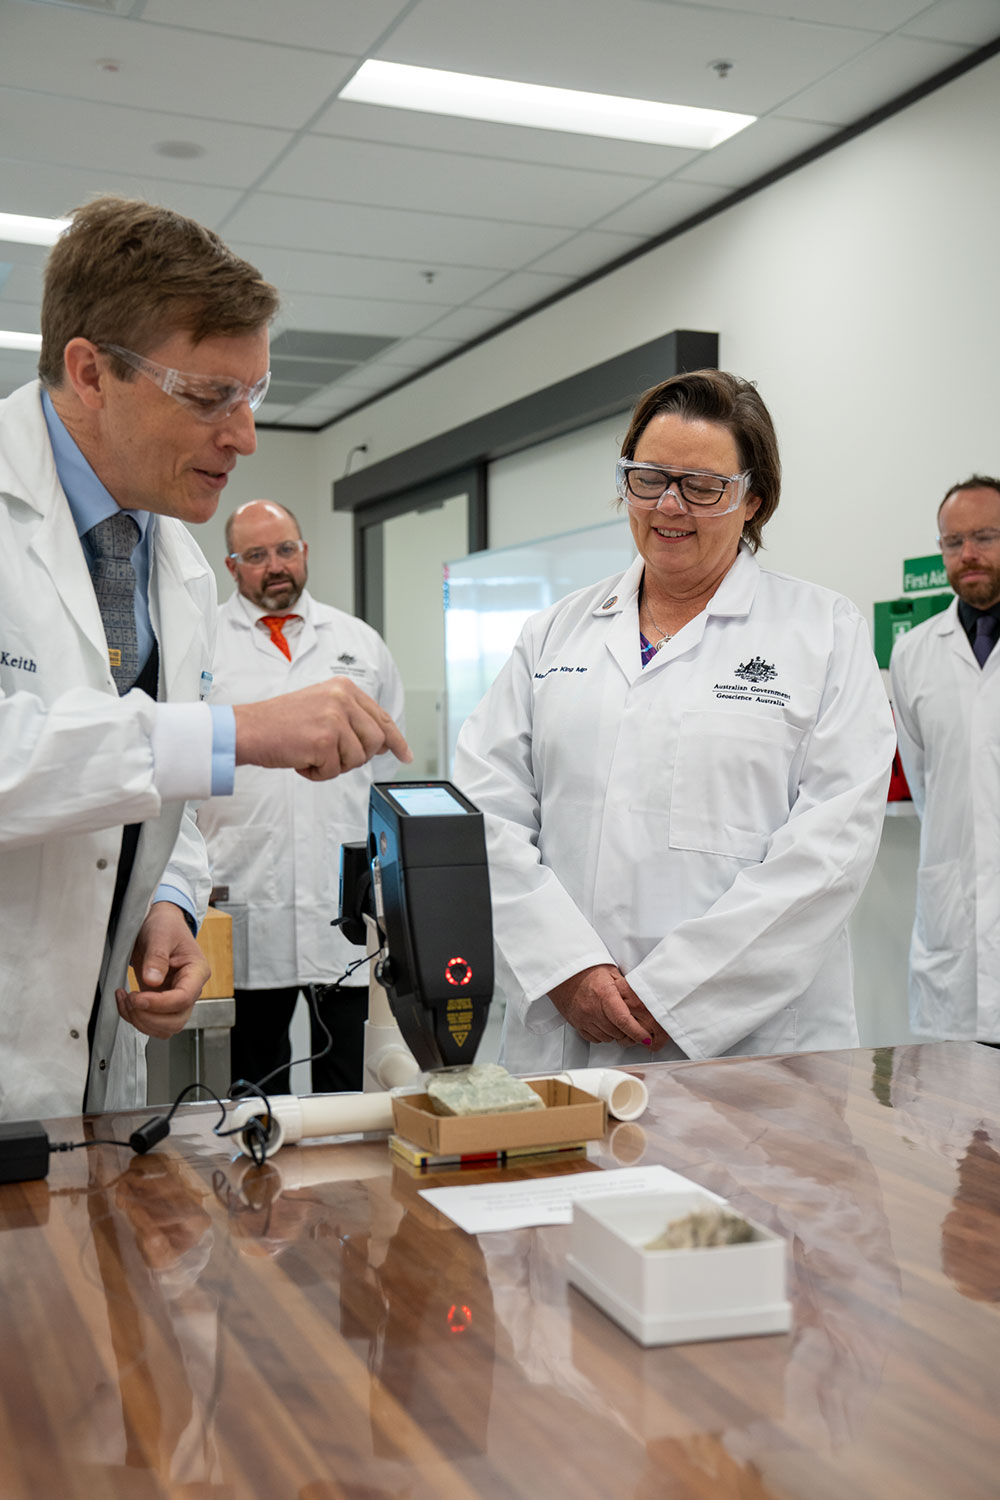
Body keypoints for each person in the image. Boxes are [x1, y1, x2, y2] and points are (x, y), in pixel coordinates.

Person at [0, 197, 410, 1123]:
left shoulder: (170, 558)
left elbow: (155, 799)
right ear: (90, 371)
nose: (245, 435)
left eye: (253, 394)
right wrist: (240, 733)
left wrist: (169, 900)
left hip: (90, 1073)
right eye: (209, 395)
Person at [453, 369, 895, 1072]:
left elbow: (829, 850)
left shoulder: (823, 633)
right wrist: (566, 969)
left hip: (748, 1048)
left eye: (703, 486)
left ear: (753, 499)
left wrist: (671, 993)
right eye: (648, 477)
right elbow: (484, 813)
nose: (669, 505)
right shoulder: (554, 635)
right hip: (567, 1030)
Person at [196, 499, 405, 1093]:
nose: (275, 565)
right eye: (256, 555)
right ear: (232, 566)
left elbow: (387, 781)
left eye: (285, 549)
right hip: (241, 900)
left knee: (348, 1087)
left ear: (304, 552)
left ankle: (342, 1192)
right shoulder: (201, 641)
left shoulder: (360, 644)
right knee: (250, 1088)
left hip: (342, 910)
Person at [889, 476, 1000, 1043]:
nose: (969, 554)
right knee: (952, 1120)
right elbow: (926, 778)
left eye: (984, 536)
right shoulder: (913, 652)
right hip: (951, 924)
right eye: (953, 542)